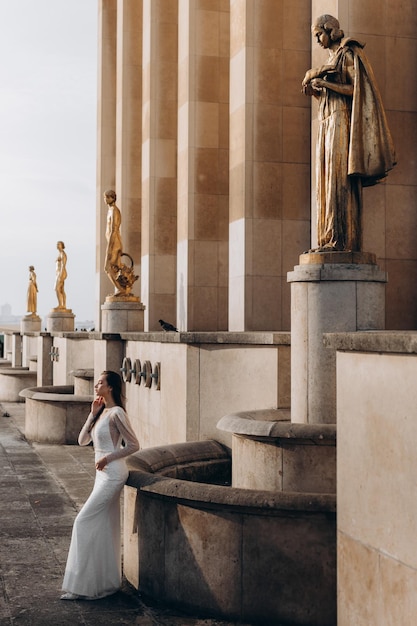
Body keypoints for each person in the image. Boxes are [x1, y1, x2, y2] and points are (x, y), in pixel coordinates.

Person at [302, 15, 396, 252]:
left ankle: (340, 241)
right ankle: (325, 239)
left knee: (337, 181)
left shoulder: (348, 54)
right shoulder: (330, 59)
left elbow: (356, 89)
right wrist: (315, 90)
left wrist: (325, 84)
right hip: (325, 123)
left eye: (318, 34)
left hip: (341, 122)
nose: (317, 40)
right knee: (324, 181)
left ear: (330, 30)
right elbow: (329, 93)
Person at [61, 370, 140, 600]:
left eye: (101, 382)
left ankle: (80, 586)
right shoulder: (101, 412)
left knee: (82, 521)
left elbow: (134, 445)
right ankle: (103, 584)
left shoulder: (117, 414)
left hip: (114, 473)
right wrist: (91, 414)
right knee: (104, 525)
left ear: (111, 387)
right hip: (101, 475)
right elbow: (82, 441)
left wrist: (109, 457)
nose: (96, 385)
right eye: (96, 382)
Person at [104, 190, 123, 295]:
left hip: (114, 243)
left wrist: (109, 248)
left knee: (108, 268)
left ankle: (121, 289)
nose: (105, 199)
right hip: (112, 242)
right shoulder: (110, 210)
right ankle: (120, 289)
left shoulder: (114, 211)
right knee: (113, 268)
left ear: (112, 198)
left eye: (107, 197)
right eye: (104, 197)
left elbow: (114, 230)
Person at [54, 241, 67, 309]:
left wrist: (61, 275)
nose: (57, 245)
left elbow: (63, 265)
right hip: (59, 273)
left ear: (62, 245)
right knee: (61, 289)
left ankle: (60, 305)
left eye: (59, 244)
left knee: (57, 289)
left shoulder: (62, 254)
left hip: (61, 273)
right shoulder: (60, 254)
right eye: (57, 244)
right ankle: (63, 305)